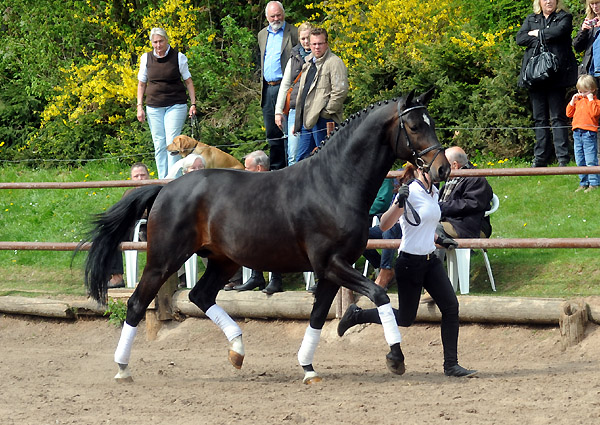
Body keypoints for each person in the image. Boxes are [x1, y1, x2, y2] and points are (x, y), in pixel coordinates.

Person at [337, 164, 477, 378]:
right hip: (410, 263)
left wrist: (440, 239)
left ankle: (451, 365)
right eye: (438, 170)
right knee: (405, 318)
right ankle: (358, 315)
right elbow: (384, 225)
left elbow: (423, 225)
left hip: (431, 261)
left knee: (451, 307)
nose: (441, 175)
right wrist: (397, 203)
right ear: (423, 169)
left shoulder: (434, 192)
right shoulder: (409, 192)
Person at [516, 0, 577, 168]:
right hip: (535, 78)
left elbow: (560, 32)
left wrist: (537, 34)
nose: (548, 1)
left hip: (556, 77)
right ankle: (540, 158)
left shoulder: (564, 17)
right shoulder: (531, 18)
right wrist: (543, 36)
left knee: (558, 117)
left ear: (557, 2)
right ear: (539, 2)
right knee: (539, 119)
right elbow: (520, 38)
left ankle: (562, 158)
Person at [136, 27, 197, 179]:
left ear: (166, 40)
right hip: (154, 106)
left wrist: (193, 104)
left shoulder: (178, 57)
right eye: (155, 42)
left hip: (175, 104)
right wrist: (139, 106)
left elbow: (188, 82)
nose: (158, 45)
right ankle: (163, 180)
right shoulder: (146, 58)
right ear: (151, 43)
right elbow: (141, 84)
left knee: (172, 142)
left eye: (161, 41)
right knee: (159, 143)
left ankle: (173, 180)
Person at [232, 150, 284, 294]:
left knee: (271, 237)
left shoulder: (276, 179)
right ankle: (257, 276)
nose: (245, 171)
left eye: (247, 168)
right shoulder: (249, 183)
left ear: (259, 168)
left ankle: (276, 279)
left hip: (280, 226)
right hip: (258, 224)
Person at [293, 27, 348, 162]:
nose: (317, 47)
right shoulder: (308, 62)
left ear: (326, 44)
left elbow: (340, 91)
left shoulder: (334, 62)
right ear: (309, 45)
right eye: (314, 44)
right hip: (308, 120)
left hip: (325, 120)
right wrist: (298, 120)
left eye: (320, 44)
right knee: (301, 160)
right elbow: (303, 92)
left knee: (326, 159)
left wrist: (326, 112)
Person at [258, 1, 299, 170]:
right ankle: (276, 170)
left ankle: (292, 169)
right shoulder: (261, 35)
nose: (276, 18)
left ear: (284, 14)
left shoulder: (294, 32)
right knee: (272, 134)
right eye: (272, 16)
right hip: (268, 88)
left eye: (278, 15)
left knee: (290, 132)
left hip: (288, 88)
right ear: (267, 17)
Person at [275, 22, 313, 166]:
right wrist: (278, 111)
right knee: (293, 153)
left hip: (313, 109)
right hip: (295, 110)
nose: (306, 42)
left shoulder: (320, 56)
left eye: (308, 37)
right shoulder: (294, 56)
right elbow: (285, 85)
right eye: (303, 38)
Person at [107, 163, 151, 289]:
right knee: (110, 234)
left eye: (142, 175)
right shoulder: (129, 192)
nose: (140, 179)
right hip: (130, 228)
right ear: (131, 178)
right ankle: (116, 276)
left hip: (146, 228)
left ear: (148, 176)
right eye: (136, 176)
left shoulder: (155, 190)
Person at [438, 147, 494, 243]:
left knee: (434, 229)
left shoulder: (476, 178)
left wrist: (441, 207)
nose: (441, 167)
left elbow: (471, 204)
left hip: (468, 226)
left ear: (454, 165)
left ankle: (435, 258)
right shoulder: (452, 179)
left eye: (443, 163)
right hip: (453, 222)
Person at [566, 74, 600, 192]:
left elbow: (594, 113)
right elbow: (568, 114)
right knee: (580, 159)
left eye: (584, 92)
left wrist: (591, 99)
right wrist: (572, 101)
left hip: (589, 134)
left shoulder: (595, 103)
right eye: (579, 91)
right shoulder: (578, 101)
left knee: (591, 159)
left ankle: (594, 183)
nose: (581, 94)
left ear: (592, 90)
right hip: (577, 133)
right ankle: (583, 182)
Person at [572, 0, 600, 77]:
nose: (595, 7)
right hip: (590, 70)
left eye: (597, 3)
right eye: (592, 4)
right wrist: (583, 31)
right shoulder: (591, 22)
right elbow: (577, 48)